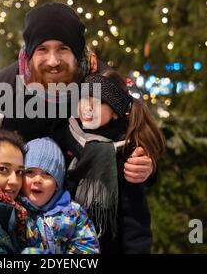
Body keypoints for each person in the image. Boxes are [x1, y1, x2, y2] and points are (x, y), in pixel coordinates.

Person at [0, 2, 155, 185]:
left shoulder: (102, 81)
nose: (53, 61)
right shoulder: (5, 85)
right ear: (31, 54)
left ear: (77, 54)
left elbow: (133, 141)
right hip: (26, 193)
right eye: (42, 49)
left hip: (86, 196)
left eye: (63, 49)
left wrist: (144, 169)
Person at [65, 69, 166, 253]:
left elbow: (134, 220)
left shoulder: (126, 153)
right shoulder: (65, 135)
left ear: (115, 112)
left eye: (99, 102)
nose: (88, 106)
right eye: (85, 97)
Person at [20, 137, 100, 254]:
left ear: (57, 184)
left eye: (47, 174)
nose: (37, 179)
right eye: (30, 172)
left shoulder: (73, 212)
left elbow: (89, 250)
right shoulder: (14, 209)